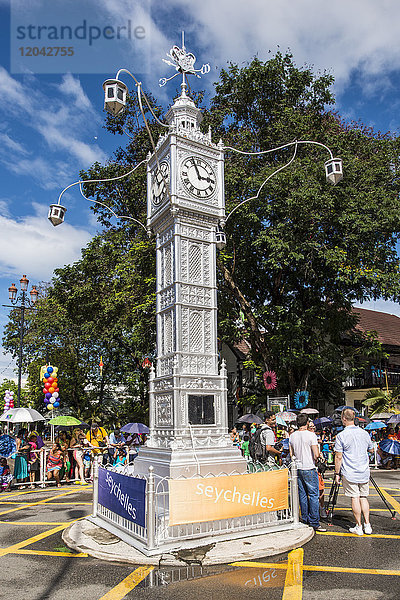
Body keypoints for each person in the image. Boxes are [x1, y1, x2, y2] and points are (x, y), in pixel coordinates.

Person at [334, 407, 374, 535]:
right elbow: (371, 449)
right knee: (363, 497)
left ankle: (359, 526)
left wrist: (336, 473)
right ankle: (367, 525)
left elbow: (338, 457)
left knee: (354, 497)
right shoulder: (364, 433)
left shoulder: (341, 436)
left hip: (350, 472)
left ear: (344, 419)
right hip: (364, 470)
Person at [289, 413, 326, 532]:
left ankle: (304, 519)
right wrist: (319, 456)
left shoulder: (292, 436)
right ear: (307, 423)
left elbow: (291, 454)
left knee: (303, 495)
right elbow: (315, 454)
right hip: (309, 467)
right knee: (314, 495)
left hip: (298, 468)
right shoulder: (311, 435)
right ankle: (314, 521)